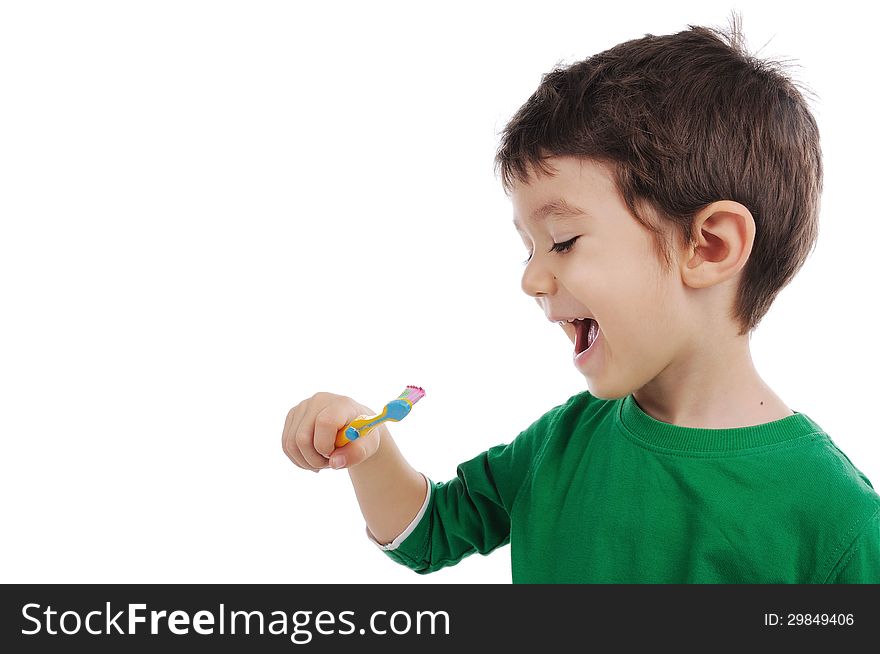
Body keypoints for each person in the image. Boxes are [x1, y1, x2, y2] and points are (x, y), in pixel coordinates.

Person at [281, 17, 880, 582]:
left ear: (710, 247)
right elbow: (429, 532)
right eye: (529, 249)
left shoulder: (837, 521)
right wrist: (372, 451)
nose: (532, 279)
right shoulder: (563, 440)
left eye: (563, 241)